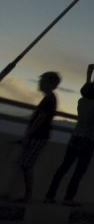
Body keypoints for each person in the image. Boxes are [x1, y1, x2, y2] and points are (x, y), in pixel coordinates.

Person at [44, 82, 94, 205]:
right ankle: (68, 198)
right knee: (79, 171)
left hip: (75, 137)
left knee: (64, 167)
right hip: (88, 141)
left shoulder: (81, 101)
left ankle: (50, 195)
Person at [13, 71, 61, 202]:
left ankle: (28, 196)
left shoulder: (49, 99)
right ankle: (27, 195)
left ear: (50, 84)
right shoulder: (50, 98)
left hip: (39, 136)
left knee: (27, 165)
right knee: (26, 164)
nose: (40, 83)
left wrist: (28, 134)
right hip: (38, 135)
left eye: (43, 81)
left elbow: (41, 118)